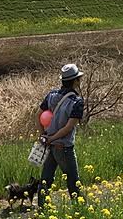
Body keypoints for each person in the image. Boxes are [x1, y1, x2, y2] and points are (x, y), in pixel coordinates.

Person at [35, 63, 85, 207]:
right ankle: (80, 209)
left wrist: (44, 135)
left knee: (46, 178)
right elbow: (69, 127)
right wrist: (53, 138)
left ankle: (42, 207)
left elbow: (37, 115)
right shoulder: (77, 101)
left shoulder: (51, 96)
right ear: (75, 81)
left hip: (49, 145)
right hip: (64, 147)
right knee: (73, 180)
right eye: (78, 79)